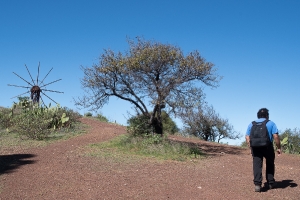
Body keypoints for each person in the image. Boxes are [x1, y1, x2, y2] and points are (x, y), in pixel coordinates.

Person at [245, 108, 282, 192]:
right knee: (270, 163)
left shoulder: (252, 124)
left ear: (258, 116)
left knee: (257, 165)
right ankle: (271, 183)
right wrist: (279, 147)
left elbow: (247, 137)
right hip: (267, 147)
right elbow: (275, 136)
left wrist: (251, 147)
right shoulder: (271, 123)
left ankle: (257, 185)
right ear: (267, 115)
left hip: (255, 147)